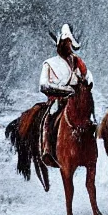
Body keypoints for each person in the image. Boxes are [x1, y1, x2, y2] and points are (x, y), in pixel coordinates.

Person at [39, 23, 93, 165]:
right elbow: (44, 85)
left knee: (89, 113)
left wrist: (85, 82)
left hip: (76, 99)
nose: (68, 46)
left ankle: (89, 149)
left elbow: (87, 76)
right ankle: (47, 148)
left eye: (69, 43)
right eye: (65, 43)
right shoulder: (49, 63)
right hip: (58, 100)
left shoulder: (77, 61)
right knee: (49, 118)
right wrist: (64, 90)